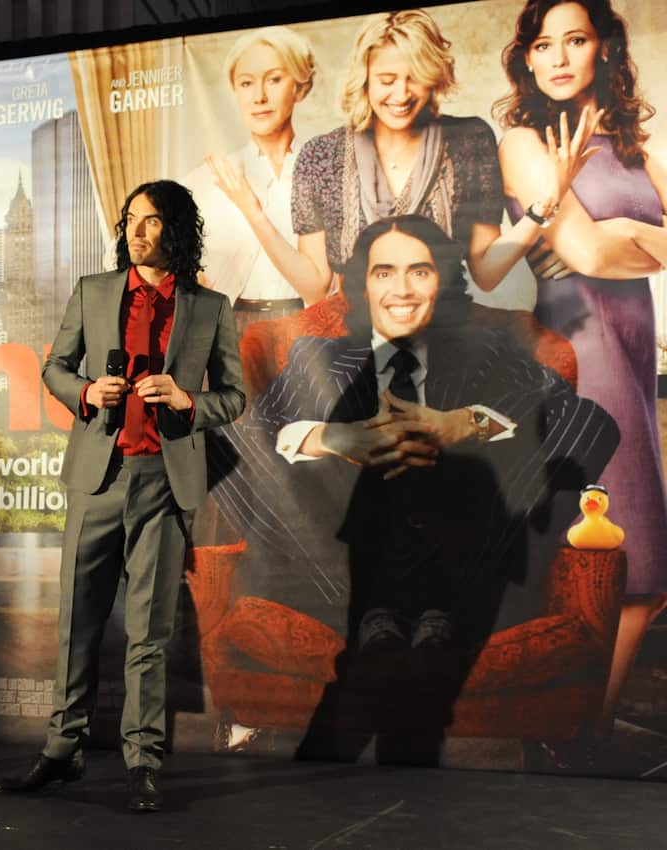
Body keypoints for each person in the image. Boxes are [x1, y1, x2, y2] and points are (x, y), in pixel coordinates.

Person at [209, 214, 618, 761]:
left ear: (443, 280)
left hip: (467, 552)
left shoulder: (493, 349)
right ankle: (376, 615)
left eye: (419, 271)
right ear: (363, 283)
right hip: (338, 567)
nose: (401, 289)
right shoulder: (317, 357)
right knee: (226, 446)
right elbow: (240, 441)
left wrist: (465, 425)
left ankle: (442, 609)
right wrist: (330, 437)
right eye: (384, 273)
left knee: (572, 429)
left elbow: (588, 424)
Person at [0, 180, 246, 812]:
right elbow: (54, 366)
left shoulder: (209, 307)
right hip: (96, 477)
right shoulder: (95, 291)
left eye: (152, 221)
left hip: (164, 479)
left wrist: (190, 399)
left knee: (149, 632)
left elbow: (236, 397)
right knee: (77, 620)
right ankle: (62, 748)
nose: (137, 231)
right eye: (131, 220)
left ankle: (142, 760)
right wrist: (85, 393)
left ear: (176, 230)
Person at [494, 0, 667, 757]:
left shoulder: (635, 145)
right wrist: (637, 237)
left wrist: (618, 236)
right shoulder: (524, 142)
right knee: (619, 551)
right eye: (544, 44)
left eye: (577, 40)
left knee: (647, 566)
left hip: (633, 341)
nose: (560, 56)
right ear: (527, 59)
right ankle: (577, 731)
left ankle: (577, 729)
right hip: (577, 344)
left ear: (603, 49)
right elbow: (588, 256)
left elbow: (604, 243)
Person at [254, 9, 594, 301]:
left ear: (434, 79)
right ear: (366, 81)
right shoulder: (322, 155)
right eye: (386, 80)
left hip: (444, 335)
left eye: (414, 78)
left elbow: (486, 272)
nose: (400, 94)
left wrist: (541, 209)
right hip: (352, 340)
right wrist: (254, 215)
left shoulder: (469, 140)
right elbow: (315, 288)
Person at [180, 26, 317, 334]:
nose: (259, 97)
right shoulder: (213, 176)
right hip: (236, 326)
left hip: (310, 325)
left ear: (300, 86)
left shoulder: (323, 167)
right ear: (235, 91)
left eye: (274, 79)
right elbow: (127, 246)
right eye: (246, 83)